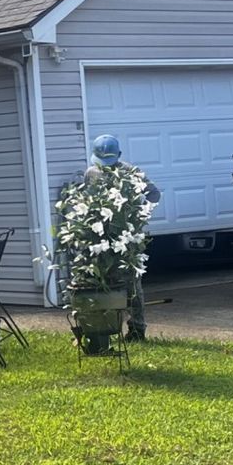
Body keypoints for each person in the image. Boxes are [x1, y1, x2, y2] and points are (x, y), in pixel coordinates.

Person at [90, 134, 161, 340]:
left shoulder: (131, 172)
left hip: (128, 238)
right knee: (105, 281)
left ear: (119, 155)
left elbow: (154, 194)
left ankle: (137, 329)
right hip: (100, 238)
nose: (105, 167)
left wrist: (138, 214)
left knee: (132, 283)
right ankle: (105, 329)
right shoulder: (91, 173)